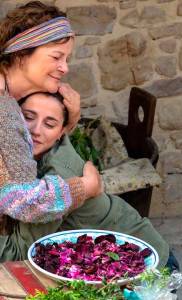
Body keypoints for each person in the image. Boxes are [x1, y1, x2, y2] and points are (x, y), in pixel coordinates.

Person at [17, 91, 174, 269]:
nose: (36, 130)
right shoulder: (25, 154)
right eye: (28, 117)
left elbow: (21, 251)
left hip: (145, 262)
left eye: (49, 124)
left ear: (62, 132)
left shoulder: (58, 175)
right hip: (96, 259)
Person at [0, 1, 102, 260]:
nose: (65, 68)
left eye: (66, 59)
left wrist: (68, 121)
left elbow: (12, 160)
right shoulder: (5, 112)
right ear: (22, 54)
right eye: (56, 57)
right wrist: (85, 187)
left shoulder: (10, 102)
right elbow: (24, 201)